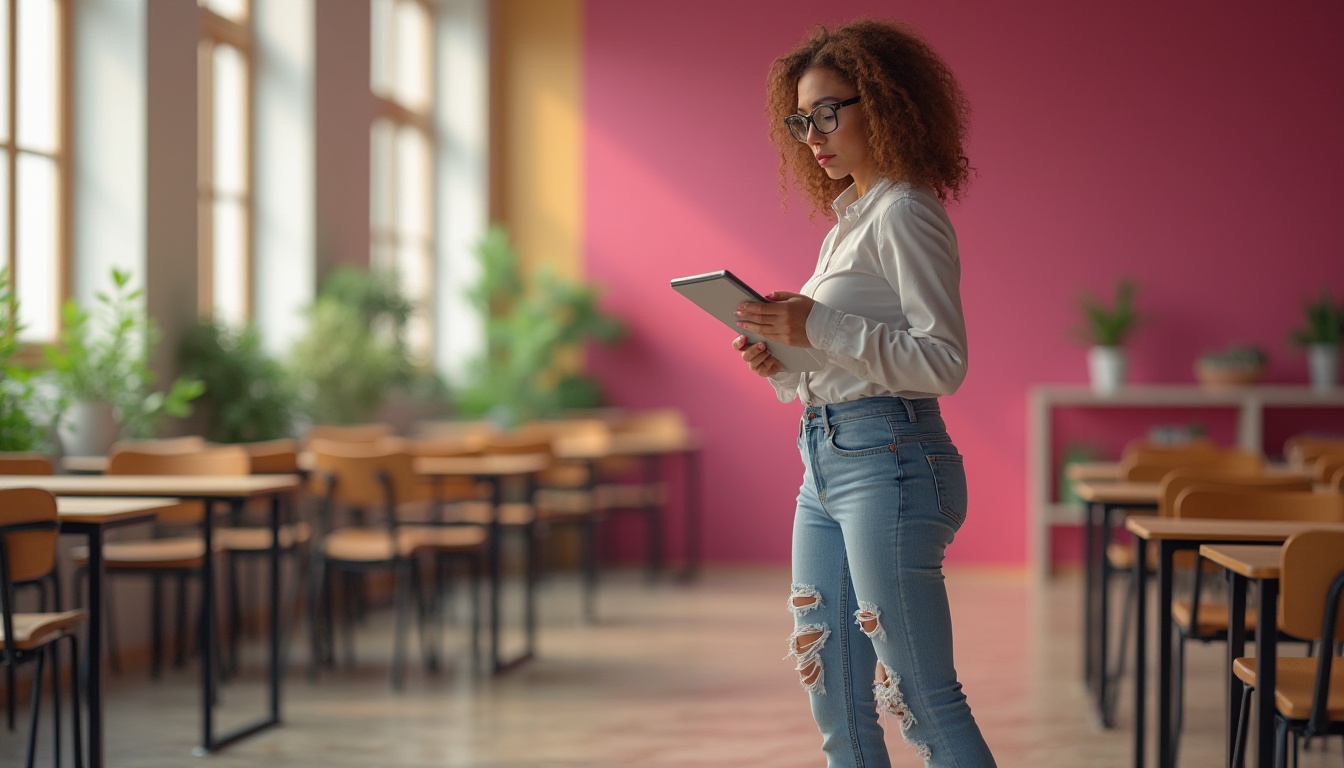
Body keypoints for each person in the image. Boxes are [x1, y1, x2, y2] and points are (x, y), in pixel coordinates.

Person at [731, 19, 996, 768]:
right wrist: (782, 356)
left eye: (827, 112)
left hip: (893, 457)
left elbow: (942, 361)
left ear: (880, 104)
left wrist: (820, 323)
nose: (810, 133)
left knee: (923, 698)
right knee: (835, 697)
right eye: (800, 118)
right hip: (826, 459)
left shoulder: (907, 211)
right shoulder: (849, 219)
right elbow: (843, 351)